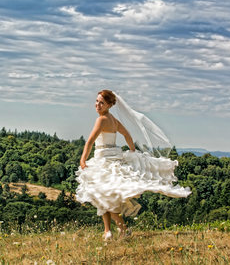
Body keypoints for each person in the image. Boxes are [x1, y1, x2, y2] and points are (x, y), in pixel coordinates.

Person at [75, 90, 191, 241]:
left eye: (101, 102)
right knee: (102, 195)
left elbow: (90, 141)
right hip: (113, 158)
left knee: (103, 195)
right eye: (96, 101)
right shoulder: (113, 120)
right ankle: (107, 231)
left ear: (109, 105)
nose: (97, 105)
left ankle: (120, 229)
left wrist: (83, 159)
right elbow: (127, 134)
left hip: (103, 159)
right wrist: (132, 151)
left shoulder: (101, 120)